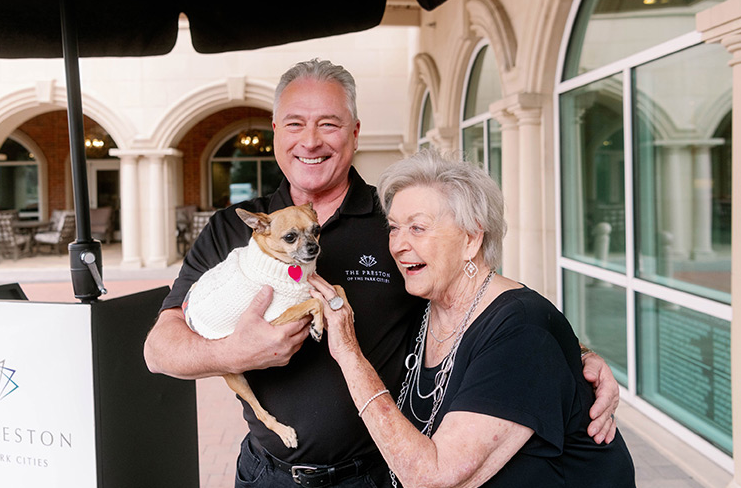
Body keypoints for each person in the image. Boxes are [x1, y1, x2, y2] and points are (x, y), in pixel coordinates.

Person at [144, 59, 620, 487]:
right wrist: (235, 351)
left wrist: (573, 356)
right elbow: (159, 350)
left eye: (328, 124)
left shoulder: (394, 223)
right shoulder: (235, 228)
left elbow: (478, 296)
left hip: (375, 475)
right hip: (266, 474)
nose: (310, 141)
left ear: (354, 132)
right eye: (295, 124)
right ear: (275, 131)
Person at [308, 149, 635, 487]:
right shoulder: (427, 304)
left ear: (471, 238)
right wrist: (582, 354)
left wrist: (348, 352)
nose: (398, 245)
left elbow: (432, 479)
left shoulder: (523, 330)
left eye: (418, 228)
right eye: (394, 228)